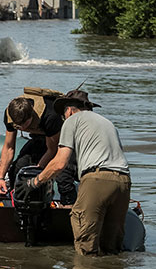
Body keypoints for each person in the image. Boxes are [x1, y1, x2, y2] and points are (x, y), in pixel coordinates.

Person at [22, 90, 131, 256]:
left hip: (97, 180)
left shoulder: (72, 120)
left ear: (69, 110)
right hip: (123, 182)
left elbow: (60, 163)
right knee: (112, 249)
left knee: (86, 246)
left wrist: (35, 181)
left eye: (63, 114)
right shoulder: (108, 123)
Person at [0, 87, 79, 205]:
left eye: (25, 124)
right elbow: (9, 147)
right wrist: (1, 178)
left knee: (63, 177)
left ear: (32, 115)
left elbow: (52, 150)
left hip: (63, 142)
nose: (23, 128)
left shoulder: (50, 116)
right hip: (40, 139)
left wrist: (37, 174)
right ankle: (18, 204)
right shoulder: (10, 115)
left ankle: (68, 205)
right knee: (17, 168)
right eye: (18, 126)